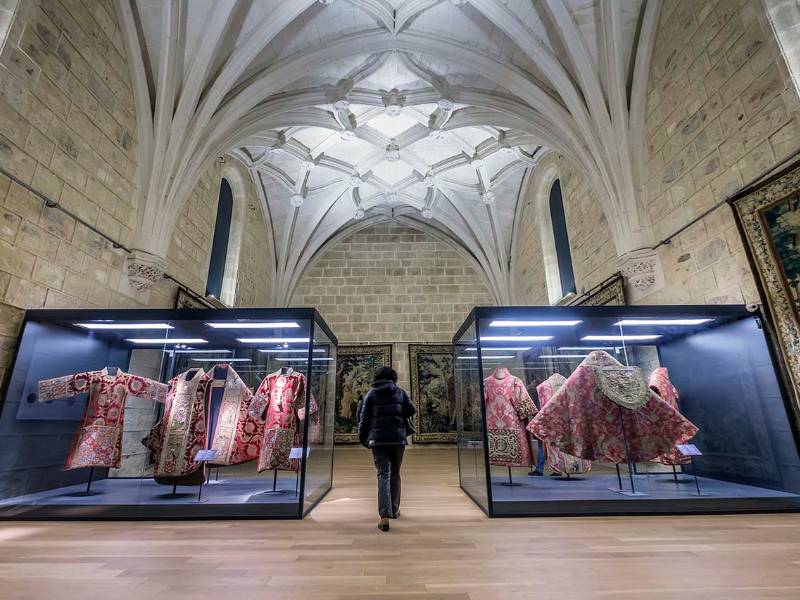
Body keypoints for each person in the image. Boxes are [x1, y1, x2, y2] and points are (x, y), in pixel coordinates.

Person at [357, 366, 416, 532]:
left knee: (383, 474)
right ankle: (394, 510)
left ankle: (384, 517)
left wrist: (363, 438)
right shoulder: (400, 392)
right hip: (397, 439)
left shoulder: (371, 394)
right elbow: (412, 409)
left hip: (378, 440)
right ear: (393, 377)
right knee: (395, 473)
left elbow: (363, 419)